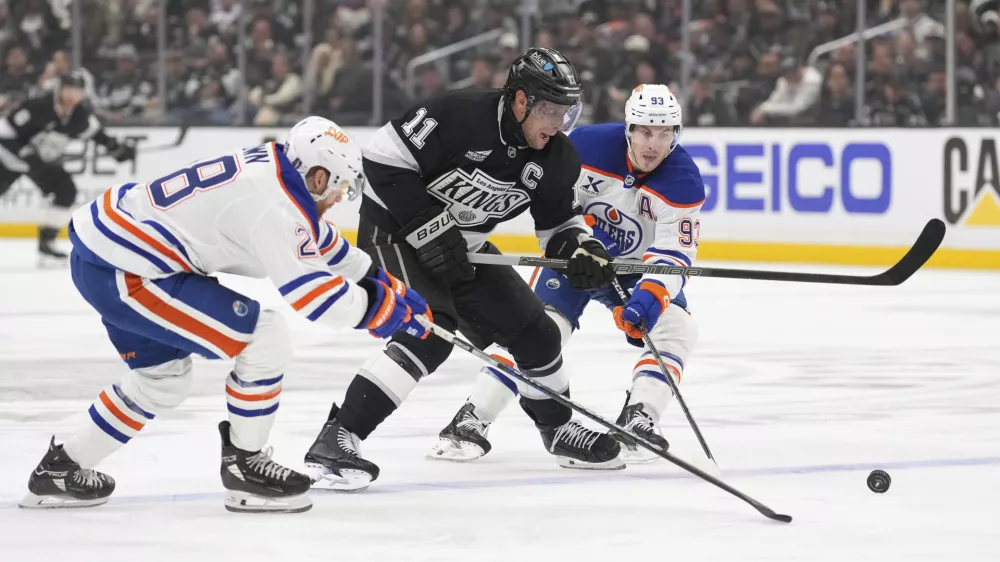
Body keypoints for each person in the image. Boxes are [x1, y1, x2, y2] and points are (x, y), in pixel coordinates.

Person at [18, 117, 431, 514]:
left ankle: (61, 468)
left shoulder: (276, 170)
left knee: (162, 380)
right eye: (340, 186)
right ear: (319, 177)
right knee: (265, 337)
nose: (341, 197)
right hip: (129, 271)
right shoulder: (276, 206)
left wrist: (381, 280)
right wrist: (384, 311)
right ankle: (245, 466)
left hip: (110, 252)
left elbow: (318, 241)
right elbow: (313, 297)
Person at [303, 47, 620, 492]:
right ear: (521, 100)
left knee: (538, 333)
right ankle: (338, 437)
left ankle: (559, 427)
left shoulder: (557, 157)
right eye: (550, 110)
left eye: (566, 111)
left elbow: (558, 227)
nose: (558, 123)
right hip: (393, 232)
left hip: (463, 247)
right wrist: (427, 225)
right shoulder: (460, 113)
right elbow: (380, 159)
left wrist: (582, 250)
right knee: (429, 329)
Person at [430, 84, 704, 464]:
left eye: (663, 133)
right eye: (644, 132)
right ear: (628, 128)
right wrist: (577, 244)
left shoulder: (684, 180)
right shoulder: (587, 146)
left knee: (677, 328)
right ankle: (472, 417)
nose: (652, 144)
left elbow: (674, 253)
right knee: (537, 333)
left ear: (677, 133)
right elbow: (554, 207)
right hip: (576, 260)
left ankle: (638, 418)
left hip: (634, 271)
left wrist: (647, 299)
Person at [0, 72, 135, 266]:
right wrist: (25, 154)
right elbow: (4, 131)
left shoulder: (80, 115)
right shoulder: (38, 106)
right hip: (9, 157)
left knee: (66, 191)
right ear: (60, 89)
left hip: (40, 162)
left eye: (77, 91)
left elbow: (97, 134)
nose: (72, 95)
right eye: (69, 90)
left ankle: (47, 245)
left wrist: (117, 149)